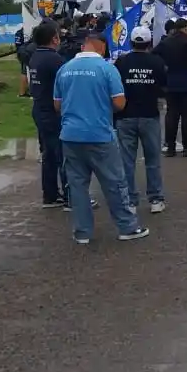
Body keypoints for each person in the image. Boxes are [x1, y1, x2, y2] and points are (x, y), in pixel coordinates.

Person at [54, 32, 149, 244]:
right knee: (115, 182)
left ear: (83, 47)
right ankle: (127, 227)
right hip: (100, 134)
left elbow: (57, 105)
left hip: (70, 135)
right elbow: (119, 103)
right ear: (102, 48)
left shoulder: (64, 69)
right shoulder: (108, 69)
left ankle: (82, 233)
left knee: (77, 186)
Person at [115, 25, 168, 213]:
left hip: (124, 116)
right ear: (149, 42)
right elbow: (164, 86)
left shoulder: (121, 62)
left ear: (131, 42)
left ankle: (130, 201)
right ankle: (155, 199)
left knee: (126, 161)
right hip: (149, 115)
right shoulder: (157, 62)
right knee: (152, 159)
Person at [29, 21, 71, 208]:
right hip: (53, 112)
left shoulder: (35, 56)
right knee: (63, 155)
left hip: (40, 109)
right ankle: (71, 196)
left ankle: (51, 195)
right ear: (54, 38)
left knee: (49, 154)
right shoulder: (55, 60)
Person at [154, 18, 187, 157]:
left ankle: (170, 147)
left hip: (171, 83)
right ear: (186, 29)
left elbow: (154, 55)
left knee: (172, 115)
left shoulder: (165, 43)